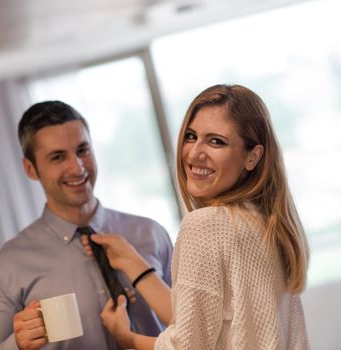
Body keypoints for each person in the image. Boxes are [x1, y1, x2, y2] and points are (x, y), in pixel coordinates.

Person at [84, 84, 310, 349]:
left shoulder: (207, 225)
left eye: (216, 141)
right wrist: (133, 263)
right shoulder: (265, 224)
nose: (194, 153)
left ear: (253, 156)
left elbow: (188, 346)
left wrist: (127, 338)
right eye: (191, 136)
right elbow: (203, 324)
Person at [0, 101, 173, 350]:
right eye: (58, 157)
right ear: (30, 168)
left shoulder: (150, 234)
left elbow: (193, 327)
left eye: (83, 150)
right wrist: (16, 345)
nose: (77, 167)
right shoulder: (6, 267)